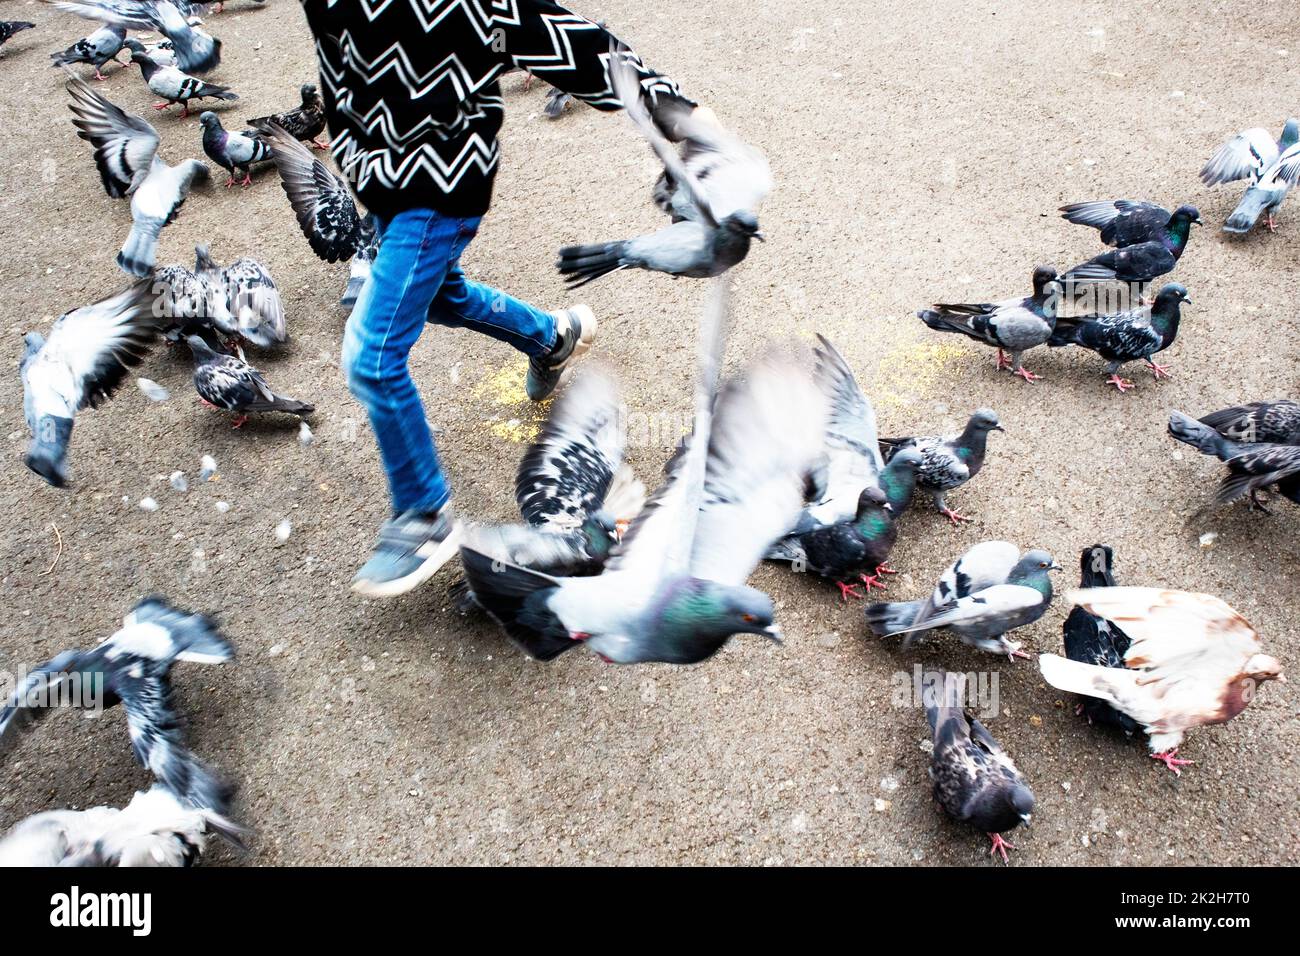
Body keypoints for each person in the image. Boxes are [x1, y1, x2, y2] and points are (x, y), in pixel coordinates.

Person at [297, 1, 703, 598]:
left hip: (440, 185)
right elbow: (338, 62)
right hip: (378, 181)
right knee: (441, 296)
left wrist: (677, 110)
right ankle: (550, 335)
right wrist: (348, 137)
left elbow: (573, 43)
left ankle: (422, 515)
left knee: (372, 355)